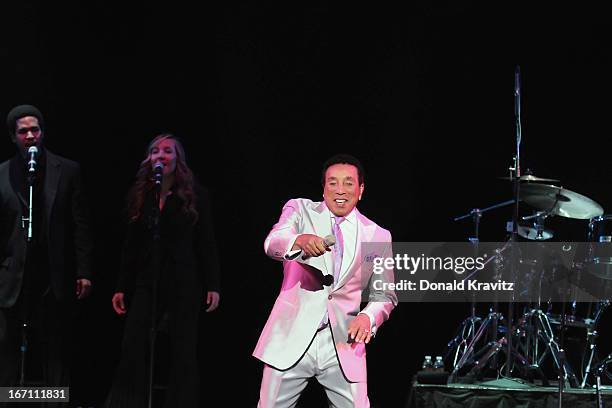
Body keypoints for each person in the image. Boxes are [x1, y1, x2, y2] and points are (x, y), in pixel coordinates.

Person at [254, 153, 397, 408]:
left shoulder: (377, 234)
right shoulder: (299, 210)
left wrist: (368, 317)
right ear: (323, 188)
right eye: (333, 183)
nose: (340, 190)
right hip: (291, 337)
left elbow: (384, 294)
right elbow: (273, 242)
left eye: (348, 183)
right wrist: (297, 241)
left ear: (361, 190)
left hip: (343, 343)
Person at [105, 134, 221, 408]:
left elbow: (207, 243)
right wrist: (122, 285)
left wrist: (213, 284)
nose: (161, 156)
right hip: (147, 280)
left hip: (184, 281)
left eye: (168, 151)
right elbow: (130, 246)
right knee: (133, 345)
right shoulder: (140, 194)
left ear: (177, 159)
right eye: (155, 152)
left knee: (183, 351)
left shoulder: (195, 195)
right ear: (149, 159)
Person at [0, 104, 94, 389]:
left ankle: (54, 401)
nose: (30, 136)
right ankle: (9, 400)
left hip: (52, 273)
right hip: (13, 274)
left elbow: (80, 224)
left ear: (43, 133)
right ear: (13, 137)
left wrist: (84, 270)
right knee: (7, 348)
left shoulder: (66, 170)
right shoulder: (2, 173)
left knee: (55, 349)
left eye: (35, 130)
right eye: (23, 131)